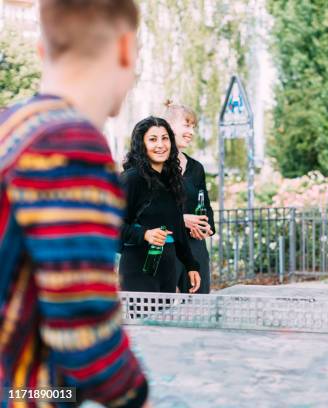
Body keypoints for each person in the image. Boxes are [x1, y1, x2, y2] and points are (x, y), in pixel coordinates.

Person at [0, 1, 149, 406]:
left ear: (41, 51)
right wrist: (137, 397)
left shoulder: (10, 129)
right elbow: (83, 333)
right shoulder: (67, 143)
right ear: (125, 48)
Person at [119, 116, 202, 294]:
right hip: (138, 271)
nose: (160, 145)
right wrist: (145, 234)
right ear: (141, 144)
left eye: (165, 138)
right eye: (152, 139)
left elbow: (177, 227)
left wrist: (190, 264)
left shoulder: (172, 180)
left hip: (167, 271)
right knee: (142, 322)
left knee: (163, 322)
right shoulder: (131, 179)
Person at [163, 101, 215, 294]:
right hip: (165, 249)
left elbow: (206, 206)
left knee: (200, 311)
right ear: (168, 125)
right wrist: (182, 220)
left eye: (193, 127)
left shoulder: (196, 168)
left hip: (195, 249)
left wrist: (207, 227)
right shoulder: (152, 166)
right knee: (159, 311)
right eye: (186, 125)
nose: (191, 132)